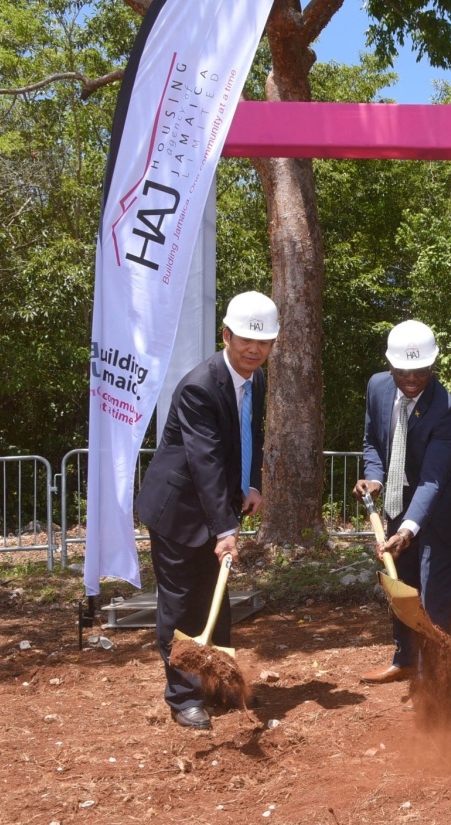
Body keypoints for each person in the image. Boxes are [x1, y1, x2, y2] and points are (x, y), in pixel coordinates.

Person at [135, 291, 279, 730]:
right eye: (246, 341)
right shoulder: (201, 386)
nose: (254, 350)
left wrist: (251, 484)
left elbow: (248, 435)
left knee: (217, 602)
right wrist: (225, 529)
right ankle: (183, 697)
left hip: (216, 504)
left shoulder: (256, 380)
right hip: (178, 511)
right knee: (181, 606)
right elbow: (205, 462)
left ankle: (216, 683)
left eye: (264, 342)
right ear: (226, 335)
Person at [353, 320, 451, 686]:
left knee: (431, 590)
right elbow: (372, 442)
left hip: (441, 505)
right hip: (398, 496)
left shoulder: (446, 409)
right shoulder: (377, 387)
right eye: (404, 370)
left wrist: (408, 530)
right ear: (389, 364)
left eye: (421, 370)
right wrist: (375, 479)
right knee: (402, 584)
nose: (412, 378)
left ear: (433, 365)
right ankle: (405, 659)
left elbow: (432, 480)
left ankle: (434, 677)